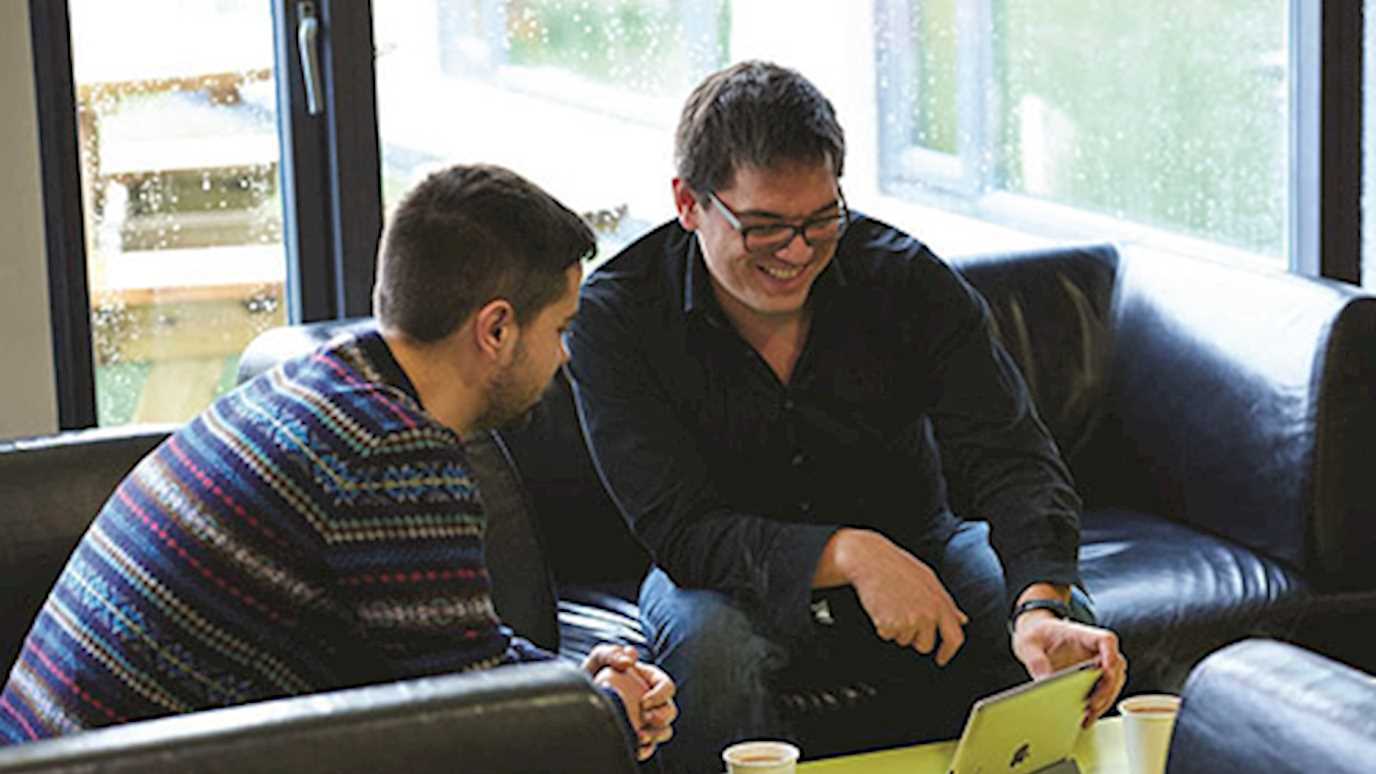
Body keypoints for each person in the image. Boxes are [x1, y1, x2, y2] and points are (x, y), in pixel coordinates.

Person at [0, 164, 676, 763]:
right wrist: (608, 715)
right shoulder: (392, 451)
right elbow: (485, 729)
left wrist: (582, 685)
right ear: (496, 329)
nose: (564, 360)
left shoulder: (321, 384)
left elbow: (458, 656)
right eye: (560, 329)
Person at [565, 61, 1126, 773]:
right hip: (722, 577)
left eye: (822, 220)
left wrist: (1039, 605)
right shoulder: (618, 317)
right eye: (764, 227)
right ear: (688, 202)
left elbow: (1011, 454)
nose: (797, 253)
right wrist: (851, 553)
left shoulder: (906, 279)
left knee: (1056, 620)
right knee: (710, 647)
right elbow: (681, 529)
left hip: (921, 542)